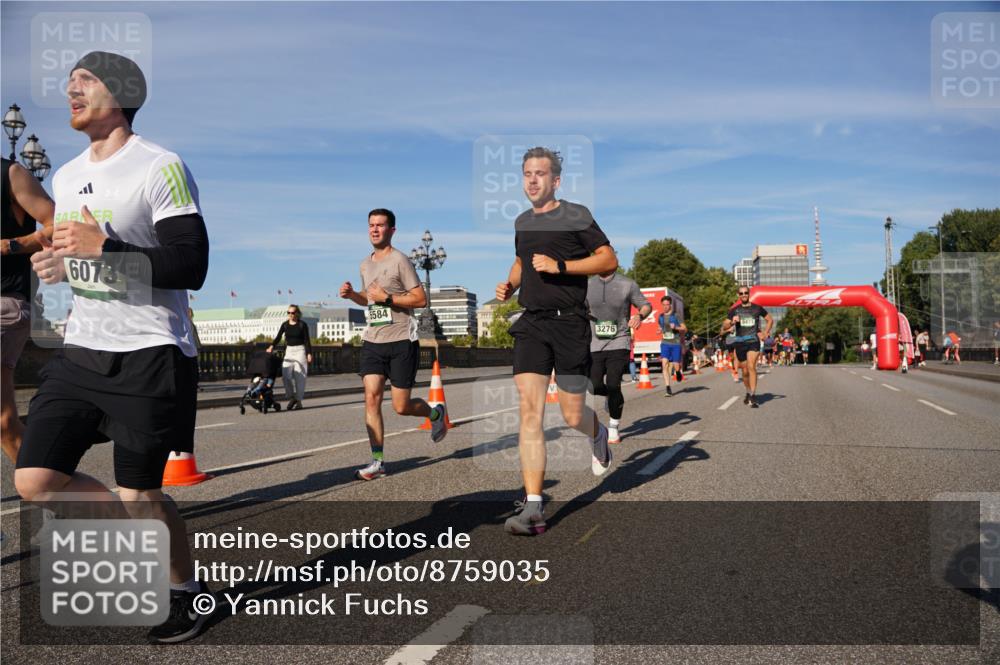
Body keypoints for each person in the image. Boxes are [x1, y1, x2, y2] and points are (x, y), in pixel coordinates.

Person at [15, 52, 211, 643]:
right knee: (35, 481)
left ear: (122, 93)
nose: (71, 89)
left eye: (86, 81)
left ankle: (183, 593)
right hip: (82, 349)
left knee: (139, 493)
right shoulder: (68, 175)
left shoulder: (161, 165)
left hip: (150, 350)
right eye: (69, 82)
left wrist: (105, 248)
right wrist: (60, 262)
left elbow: (191, 264)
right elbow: (86, 256)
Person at [495, 147, 617, 536]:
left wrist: (562, 266)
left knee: (571, 415)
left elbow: (608, 260)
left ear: (556, 180)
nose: (532, 180)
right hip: (531, 323)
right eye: (527, 173)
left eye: (540, 174)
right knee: (529, 411)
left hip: (570, 324)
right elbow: (520, 260)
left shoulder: (576, 215)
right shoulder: (521, 221)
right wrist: (510, 283)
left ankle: (597, 433)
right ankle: (533, 506)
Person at [339, 208, 447, 480]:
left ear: (392, 230)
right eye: (371, 225)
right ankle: (377, 461)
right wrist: (354, 295)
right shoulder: (365, 264)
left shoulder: (401, 261)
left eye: (380, 225)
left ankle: (435, 415)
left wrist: (387, 298)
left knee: (401, 406)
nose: (375, 229)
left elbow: (420, 299)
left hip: (401, 341)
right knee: (371, 398)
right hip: (373, 340)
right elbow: (370, 299)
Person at [1, 157, 55, 462]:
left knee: (4, 421)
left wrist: (9, 245)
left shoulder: (11, 173)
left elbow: (57, 225)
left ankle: (56, 498)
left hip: (4, 301)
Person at [586, 268, 650, 443]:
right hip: (594, 343)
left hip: (619, 341)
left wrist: (639, 315)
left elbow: (646, 305)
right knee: (593, 386)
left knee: (614, 384)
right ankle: (610, 396)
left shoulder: (627, 284)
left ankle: (614, 426)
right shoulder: (588, 284)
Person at [720, 286, 773, 408]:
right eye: (741, 293)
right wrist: (732, 321)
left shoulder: (757, 308)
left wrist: (766, 332)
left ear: (749, 294)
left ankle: (753, 396)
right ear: (738, 295)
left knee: (751, 366)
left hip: (753, 341)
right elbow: (724, 326)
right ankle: (748, 392)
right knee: (744, 372)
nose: (744, 294)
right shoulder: (734, 310)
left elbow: (769, 319)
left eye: (746, 293)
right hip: (739, 342)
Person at [267, 304, 313, 410]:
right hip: (289, 351)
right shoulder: (285, 325)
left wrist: (309, 353)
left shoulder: (302, 324)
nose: (290, 315)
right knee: (286, 375)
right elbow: (278, 337)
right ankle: (292, 398)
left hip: (300, 351)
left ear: (297, 313)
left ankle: (299, 402)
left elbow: (307, 340)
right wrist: (271, 346)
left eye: (292, 313)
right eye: (288, 313)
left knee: (299, 378)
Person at [657, 296, 686, 397]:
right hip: (665, 343)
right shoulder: (660, 316)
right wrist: (659, 330)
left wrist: (676, 327)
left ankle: (678, 372)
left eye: (667, 305)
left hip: (676, 343)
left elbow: (684, 328)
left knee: (675, 364)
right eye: (663, 305)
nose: (665, 307)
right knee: (664, 363)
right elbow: (660, 327)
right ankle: (668, 388)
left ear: (670, 305)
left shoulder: (676, 315)